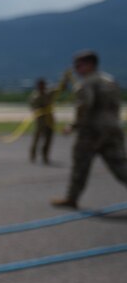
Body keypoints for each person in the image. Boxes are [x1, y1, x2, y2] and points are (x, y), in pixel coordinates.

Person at [52, 50, 127, 208]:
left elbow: (85, 107)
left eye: (78, 65)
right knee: (120, 166)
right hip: (113, 129)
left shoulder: (86, 83)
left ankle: (72, 198)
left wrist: (73, 126)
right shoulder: (109, 80)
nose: (76, 69)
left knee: (80, 165)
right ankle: (71, 197)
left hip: (91, 131)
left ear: (90, 65)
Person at [28, 77, 56, 165]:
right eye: (40, 85)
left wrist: (65, 81)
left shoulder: (49, 93)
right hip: (40, 121)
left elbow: (59, 89)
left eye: (43, 85)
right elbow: (33, 107)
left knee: (48, 139)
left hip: (49, 121)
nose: (42, 87)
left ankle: (45, 156)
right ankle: (33, 153)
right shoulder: (35, 96)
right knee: (37, 139)